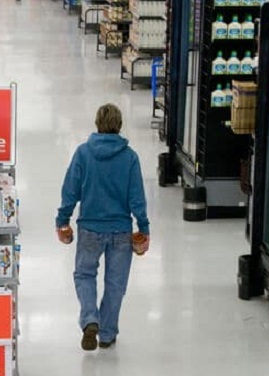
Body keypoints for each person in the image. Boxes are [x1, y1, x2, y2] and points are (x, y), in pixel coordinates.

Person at [56, 103, 150, 351]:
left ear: (97, 123)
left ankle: (90, 319)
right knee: (115, 283)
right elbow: (137, 198)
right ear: (119, 126)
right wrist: (144, 228)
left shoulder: (83, 153)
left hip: (90, 229)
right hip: (120, 230)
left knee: (85, 274)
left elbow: (70, 191)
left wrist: (62, 221)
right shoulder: (130, 157)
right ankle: (107, 334)